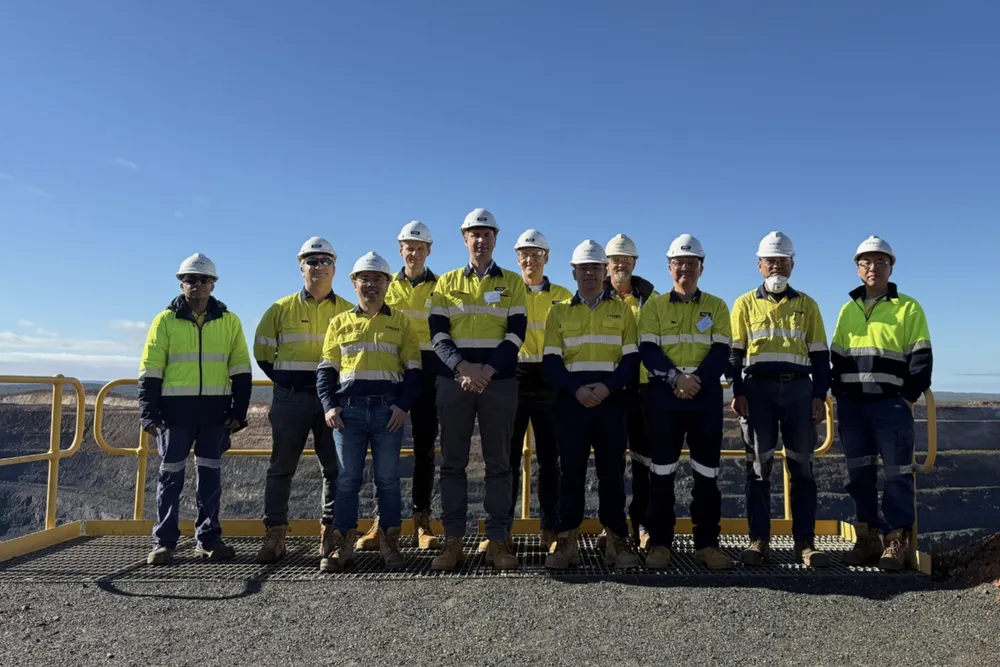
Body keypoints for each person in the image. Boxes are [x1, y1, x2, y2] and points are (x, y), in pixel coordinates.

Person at [428, 207, 527, 571]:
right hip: (455, 382)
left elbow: (516, 334)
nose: (481, 240)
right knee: (453, 464)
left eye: (487, 234)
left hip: (497, 382)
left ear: (495, 239)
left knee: (499, 465)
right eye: (475, 234)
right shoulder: (447, 283)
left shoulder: (512, 283)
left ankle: (498, 541)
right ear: (464, 238)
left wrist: (486, 370)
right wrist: (462, 367)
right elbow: (438, 334)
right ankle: (453, 541)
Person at [138, 253, 252, 565]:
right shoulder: (164, 321)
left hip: (215, 415)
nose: (197, 284)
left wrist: (238, 412)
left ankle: (209, 540)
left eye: (204, 279)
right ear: (181, 284)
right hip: (174, 416)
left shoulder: (230, 321)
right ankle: (164, 543)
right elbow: (150, 369)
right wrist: (148, 412)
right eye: (190, 279)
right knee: (170, 478)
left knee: (210, 479)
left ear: (213, 284)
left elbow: (241, 369)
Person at [727, 231, 831, 567]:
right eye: (770, 261)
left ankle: (805, 544)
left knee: (802, 469)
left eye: (782, 261)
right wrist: (737, 391)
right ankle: (758, 542)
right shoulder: (744, 304)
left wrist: (819, 396)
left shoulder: (807, 305)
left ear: (792, 265)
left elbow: (820, 356)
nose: (776, 267)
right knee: (758, 469)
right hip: (758, 392)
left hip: (799, 392)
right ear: (759, 265)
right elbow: (734, 354)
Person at [316, 252, 422, 572]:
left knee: (387, 479)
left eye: (378, 279)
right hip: (347, 413)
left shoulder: (401, 322)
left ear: (388, 284)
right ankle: (343, 545)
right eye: (364, 279)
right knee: (347, 480)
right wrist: (328, 405)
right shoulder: (339, 323)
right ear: (354, 283)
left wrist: (402, 406)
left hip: (386, 413)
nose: (371, 284)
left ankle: (390, 544)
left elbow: (414, 371)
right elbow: (326, 370)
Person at [831, 235, 932, 570]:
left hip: (890, 406)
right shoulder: (848, 309)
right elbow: (837, 358)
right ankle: (867, 539)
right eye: (866, 262)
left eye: (880, 261)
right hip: (853, 407)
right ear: (858, 269)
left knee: (897, 474)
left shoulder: (908, 308)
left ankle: (896, 541)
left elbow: (921, 358)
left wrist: (906, 397)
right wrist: (839, 394)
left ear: (891, 266)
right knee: (859, 475)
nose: (873, 267)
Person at [253, 237, 353, 566]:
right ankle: (275, 534)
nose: (318, 266)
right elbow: (263, 353)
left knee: (335, 469)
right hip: (291, 398)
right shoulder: (280, 309)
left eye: (325, 261)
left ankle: (331, 531)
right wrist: (287, 380)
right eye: (312, 261)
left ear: (334, 268)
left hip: (333, 401)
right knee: (281, 468)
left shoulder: (347, 311)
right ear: (301, 267)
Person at [543, 240, 641, 570]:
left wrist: (607, 387)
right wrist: (577, 390)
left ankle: (616, 541)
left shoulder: (623, 311)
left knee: (611, 474)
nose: (589, 274)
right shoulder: (558, 312)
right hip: (572, 403)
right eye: (583, 268)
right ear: (573, 273)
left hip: (611, 403)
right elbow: (551, 363)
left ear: (605, 271)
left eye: (595, 268)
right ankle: (566, 542)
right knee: (570, 474)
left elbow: (631, 360)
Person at [638, 234, 733, 571]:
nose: (685, 269)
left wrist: (695, 382)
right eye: (679, 263)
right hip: (664, 397)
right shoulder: (654, 307)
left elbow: (721, 350)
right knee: (661, 473)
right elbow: (648, 349)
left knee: (706, 475)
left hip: (704, 398)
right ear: (669, 268)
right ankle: (660, 544)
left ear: (701, 268)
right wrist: (676, 379)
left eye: (692, 263)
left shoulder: (717, 307)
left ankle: (706, 545)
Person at [485, 229, 572, 555]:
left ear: (546, 258)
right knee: (507, 459)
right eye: (524, 254)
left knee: (551, 459)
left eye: (536, 254)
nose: (530, 259)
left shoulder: (563, 295)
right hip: (514, 375)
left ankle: (552, 529)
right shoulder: (506, 291)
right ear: (517, 257)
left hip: (550, 377)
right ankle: (501, 531)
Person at [357, 221, 442, 553]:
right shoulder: (387, 285)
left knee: (424, 450)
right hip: (392, 371)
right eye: (409, 247)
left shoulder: (442, 287)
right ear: (400, 249)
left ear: (429, 251)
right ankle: (383, 522)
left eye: (420, 248)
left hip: (430, 372)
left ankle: (422, 521)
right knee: (384, 449)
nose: (414, 253)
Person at [604, 233, 657, 547]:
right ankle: (611, 527)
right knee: (610, 463)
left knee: (643, 461)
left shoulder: (652, 300)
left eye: (626, 259)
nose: (621, 264)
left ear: (635, 263)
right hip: (610, 389)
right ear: (607, 264)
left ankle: (642, 525)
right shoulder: (594, 297)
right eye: (616, 259)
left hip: (645, 390)